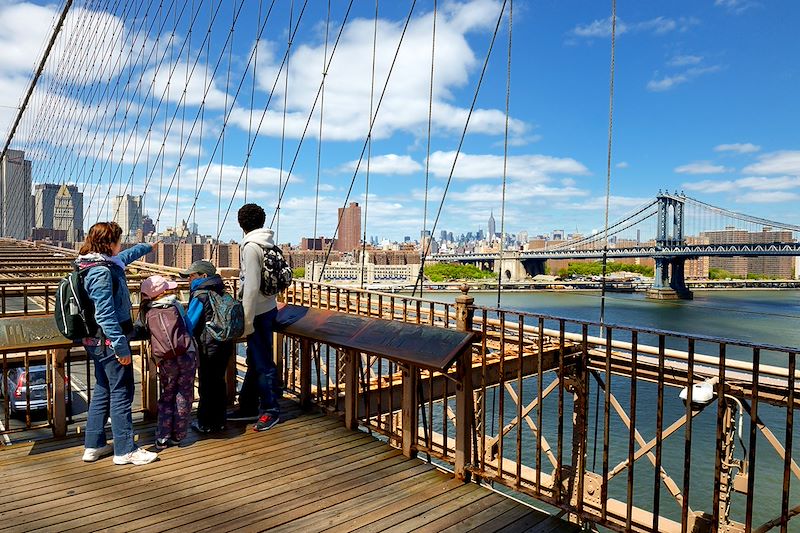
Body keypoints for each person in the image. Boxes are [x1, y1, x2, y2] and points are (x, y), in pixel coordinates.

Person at [79, 222, 158, 466]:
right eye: (118, 240)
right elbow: (105, 314)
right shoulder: (101, 272)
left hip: (96, 341)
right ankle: (125, 450)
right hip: (108, 342)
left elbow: (124, 257)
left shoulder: (93, 263)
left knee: (103, 389)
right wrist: (120, 347)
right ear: (108, 243)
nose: (120, 245)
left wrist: (146, 246)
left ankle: (94, 445)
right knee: (122, 392)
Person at [229, 203, 280, 431]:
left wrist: (246, 322)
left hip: (257, 314)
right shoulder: (270, 244)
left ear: (241, 224)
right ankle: (248, 405)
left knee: (262, 363)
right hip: (269, 308)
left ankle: (271, 410)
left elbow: (250, 288)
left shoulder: (251, 247)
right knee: (256, 359)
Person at [139, 275, 197, 450]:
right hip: (186, 354)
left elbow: (143, 331)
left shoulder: (146, 310)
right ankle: (178, 435)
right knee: (184, 394)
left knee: (167, 395)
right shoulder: (175, 304)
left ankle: (163, 436)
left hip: (165, 360)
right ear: (163, 292)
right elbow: (189, 326)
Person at [181, 260, 234, 433]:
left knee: (206, 384)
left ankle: (205, 423)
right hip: (224, 343)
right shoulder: (221, 290)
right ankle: (220, 421)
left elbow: (190, 323)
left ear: (203, 276)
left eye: (192, 276)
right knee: (218, 382)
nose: (189, 279)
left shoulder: (200, 294)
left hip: (207, 345)